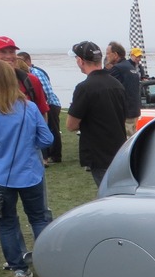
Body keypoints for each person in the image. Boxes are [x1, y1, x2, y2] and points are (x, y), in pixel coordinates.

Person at [0, 60, 54, 277]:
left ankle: (19, 269)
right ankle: (48, 263)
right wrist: (29, 145)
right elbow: (47, 138)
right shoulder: (28, 107)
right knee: (39, 218)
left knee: (7, 222)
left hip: (1, 175)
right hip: (30, 173)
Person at [66, 41, 127, 187]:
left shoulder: (84, 88)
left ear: (80, 61)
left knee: (108, 196)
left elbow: (71, 125)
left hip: (98, 154)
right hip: (118, 150)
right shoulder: (117, 84)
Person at [0, 36, 49, 118]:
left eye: (12, 52)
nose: (8, 56)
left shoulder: (30, 80)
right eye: (2, 52)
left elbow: (42, 113)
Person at [17, 52, 62, 163]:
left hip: (50, 104)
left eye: (21, 60)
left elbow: (46, 91)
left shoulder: (36, 73)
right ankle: (48, 156)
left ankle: (55, 156)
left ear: (28, 60)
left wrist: (41, 105)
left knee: (52, 130)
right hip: (42, 105)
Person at [106, 42, 141, 137]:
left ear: (116, 54)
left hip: (125, 112)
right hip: (134, 109)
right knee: (132, 137)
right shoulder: (130, 66)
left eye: (108, 53)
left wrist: (105, 69)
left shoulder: (117, 68)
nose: (106, 56)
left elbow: (105, 86)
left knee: (125, 142)